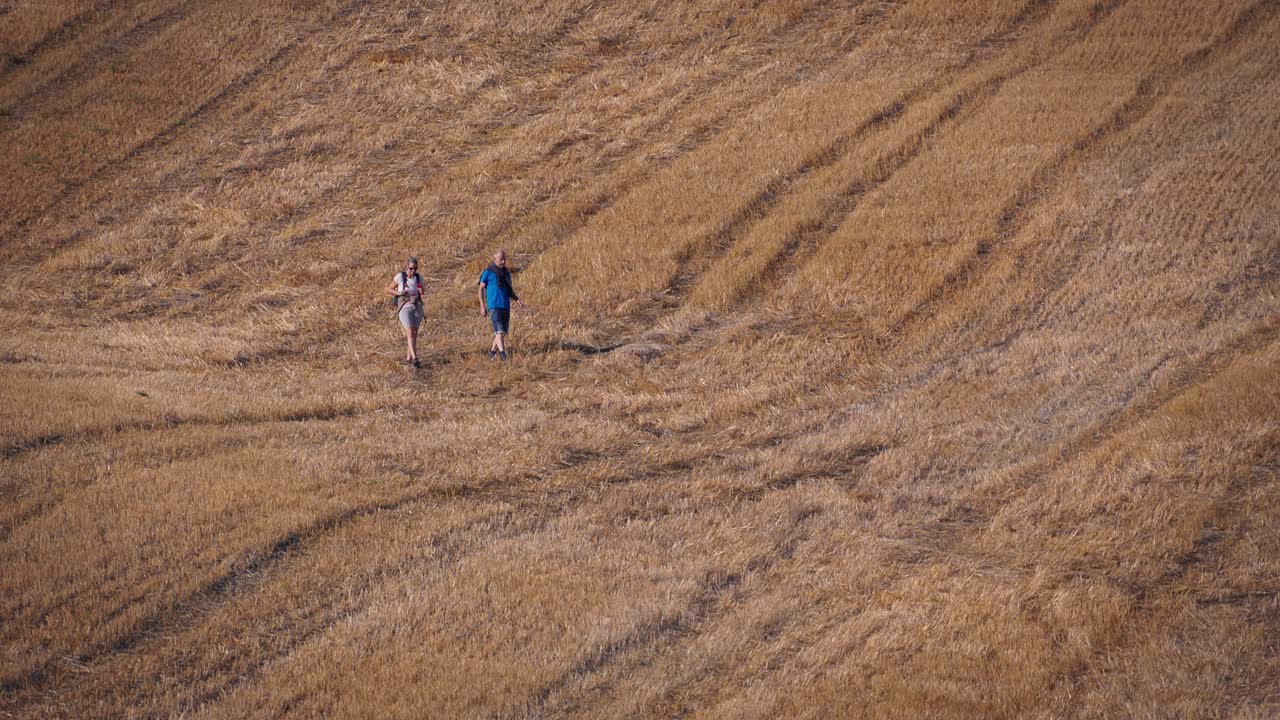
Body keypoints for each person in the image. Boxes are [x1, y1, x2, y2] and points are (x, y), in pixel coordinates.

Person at [477, 249, 524, 360]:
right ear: (495, 259)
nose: (503, 262)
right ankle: (503, 356)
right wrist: (482, 306)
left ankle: (491, 354)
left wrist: (517, 300)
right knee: (499, 331)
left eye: (504, 259)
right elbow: (480, 289)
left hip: (505, 305)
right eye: (501, 259)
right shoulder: (488, 272)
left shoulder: (506, 273)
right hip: (494, 305)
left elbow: (509, 290)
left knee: (501, 333)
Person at [386, 257, 425, 367]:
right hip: (404, 307)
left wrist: (421, 291)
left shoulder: (419, 278)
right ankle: (415, 357)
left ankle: (408, 358)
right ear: (406, 266)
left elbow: (422, 291)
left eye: (415, 269)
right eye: (411, 268)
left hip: (417, 306)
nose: (413, 271)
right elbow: (388, 289)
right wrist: (399, 293)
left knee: (414, 333)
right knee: (409, 331)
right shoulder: (400, 277)